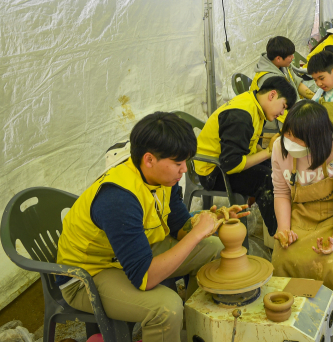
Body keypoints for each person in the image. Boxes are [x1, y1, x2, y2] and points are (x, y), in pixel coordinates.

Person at [56, 112, 245, 342]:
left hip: (128, 254)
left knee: (213, 247)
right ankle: (167, 329)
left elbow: (178, 226)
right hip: (87, 275)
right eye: (178, 163)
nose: (184, 170)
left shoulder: (164, 178)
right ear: (149, 159)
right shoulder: (119, 198)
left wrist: (208, 223)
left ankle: (190, 328)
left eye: (186, 161)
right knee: (166, 309)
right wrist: (196, 234)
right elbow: (144, 277)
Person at [271, 100, 333, 342]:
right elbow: (281, 193)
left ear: (317, 138)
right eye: (288, 133)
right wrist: (284, 229)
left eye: (298, 138)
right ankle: (296, 323)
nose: (290, 141)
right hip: (302, 211)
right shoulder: (279, 148)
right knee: (282, 257)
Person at [195, 77, 297, 235]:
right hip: (212, 171)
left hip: (226, 160)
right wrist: (268, 151)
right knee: (266, 178)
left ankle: (280, 218)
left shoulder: (254, 104)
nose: (282, 113)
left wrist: (270, 155)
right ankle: (280, 234)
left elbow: (249, 143)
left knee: (275, 166)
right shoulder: (241, 116)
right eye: (283, 107)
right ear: (272, 95)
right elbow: (231, 165)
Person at [250, 36, 314, 101]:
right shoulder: (268, 79)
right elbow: (282, 106)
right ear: (278, 58)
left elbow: (297, 84)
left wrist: (315, 97)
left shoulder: (283, 65)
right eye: (290, 56)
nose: (293, 57)